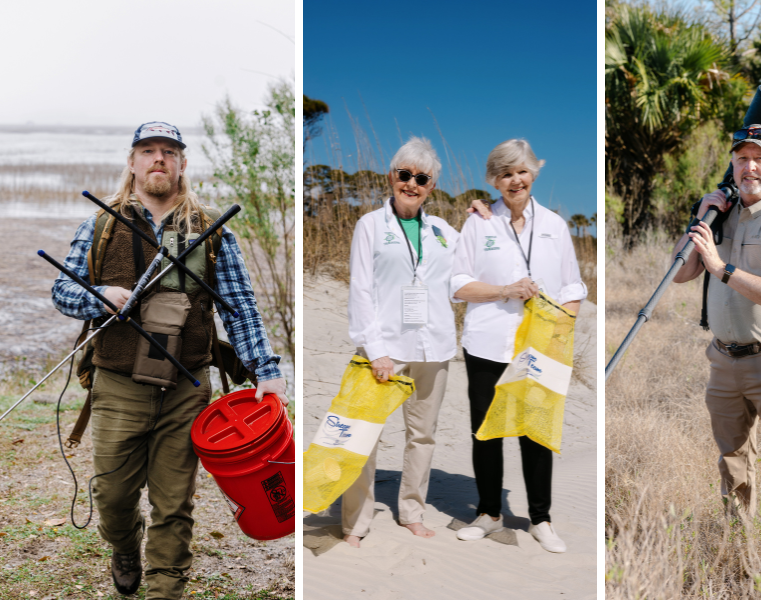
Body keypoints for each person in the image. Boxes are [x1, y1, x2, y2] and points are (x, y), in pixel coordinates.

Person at [51, 122, 288, 599]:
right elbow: (62, 291)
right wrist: (100, 297)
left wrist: (267, 371)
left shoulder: (213, 232)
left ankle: (165, 590)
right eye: (148, 151)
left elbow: (240, 307)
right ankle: (123, 546)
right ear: (132, 162)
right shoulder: (99, 226)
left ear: (182, 164)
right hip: (117, 386)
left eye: (169, 152)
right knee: (113, 499)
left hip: (188, 391)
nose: (158, 159)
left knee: (174, 506)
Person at [671, 124, 761, 546]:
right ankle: (740, 542)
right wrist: (702, 218)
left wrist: (722, 268)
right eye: (741, 159)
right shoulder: (720, 216)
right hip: (724, 360)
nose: (749, 167)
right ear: (733, 165)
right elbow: (681, 273)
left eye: (759, 159)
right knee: (732, 460)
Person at [450, 139, 586, 553]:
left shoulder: (555, 226)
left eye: (522, 171)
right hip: (487, 343)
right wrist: (505, 290)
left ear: (534, 174)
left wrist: (560, 328)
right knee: (485, 433)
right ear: (495, 180)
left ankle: (541, 519)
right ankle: (489, 514)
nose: (515, 180)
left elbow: (573, 287)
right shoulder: (479, 223)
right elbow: (458, 284)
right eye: (506, 173)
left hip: (539, 349)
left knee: (535, 435)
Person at [342, 136, 460, 548]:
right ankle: (355, 523)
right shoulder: (371, 226)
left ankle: (411, 511)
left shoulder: (445, 232)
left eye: (421, 178)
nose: (411, 184)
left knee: (422, 435)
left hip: (435, 348)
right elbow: (360, 291)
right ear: (391, 177)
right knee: (365, 435)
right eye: (404, 174)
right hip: (386, 349)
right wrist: (376, 351)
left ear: (432, 185)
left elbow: (465, 276)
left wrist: (485, 216)